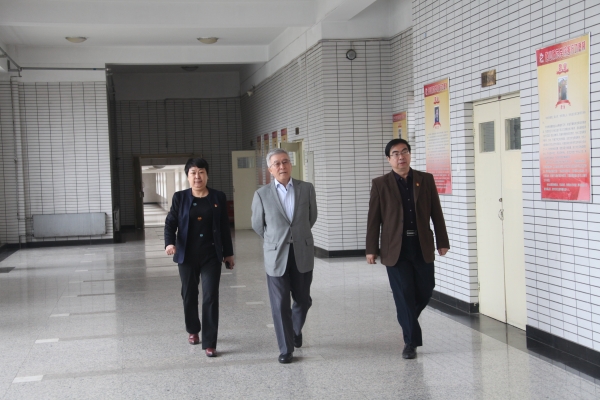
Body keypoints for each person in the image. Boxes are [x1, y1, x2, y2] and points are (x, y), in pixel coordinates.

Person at [366, 139, 449, 360]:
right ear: (389, 159)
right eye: (395, 153)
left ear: (410, 155)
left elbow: (436, 212)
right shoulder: (380, 184)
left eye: (404, 152)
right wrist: (371, 249)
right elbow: (373, 219)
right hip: (395, 248)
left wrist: (442, 241)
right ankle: (410, 342)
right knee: (403, 293)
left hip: (421, 244)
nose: (401, 157)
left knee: (426, 288)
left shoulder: (425, 180)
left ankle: (406, 315)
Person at [251, 148, 317, 364]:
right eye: (277, 163)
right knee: (280, 304)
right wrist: (275, 240)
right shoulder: (262, 194)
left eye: (285, 161)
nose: (282, 166)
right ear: (270, 169)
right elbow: (257, 225)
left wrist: (298, 236)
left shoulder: (306, 188)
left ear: (291, 164)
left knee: (303, 300)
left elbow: (311, 217)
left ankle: (295, 329)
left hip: (302, 253)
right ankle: (286, 348)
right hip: (276, 255)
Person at [164, 158, 235, 358]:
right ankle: (193, 329)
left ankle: (210, 342)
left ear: (207, 175)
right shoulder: (180, 198)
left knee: (211, 296)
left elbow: (224, 227)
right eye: (193, 173)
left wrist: (228, 253)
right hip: (187, 255)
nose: (197, 176)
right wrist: (170, 243)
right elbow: (170, 223)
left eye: (201, 172)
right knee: (189, 294)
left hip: (211, 255)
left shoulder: (218, 197)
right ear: (187, 176)